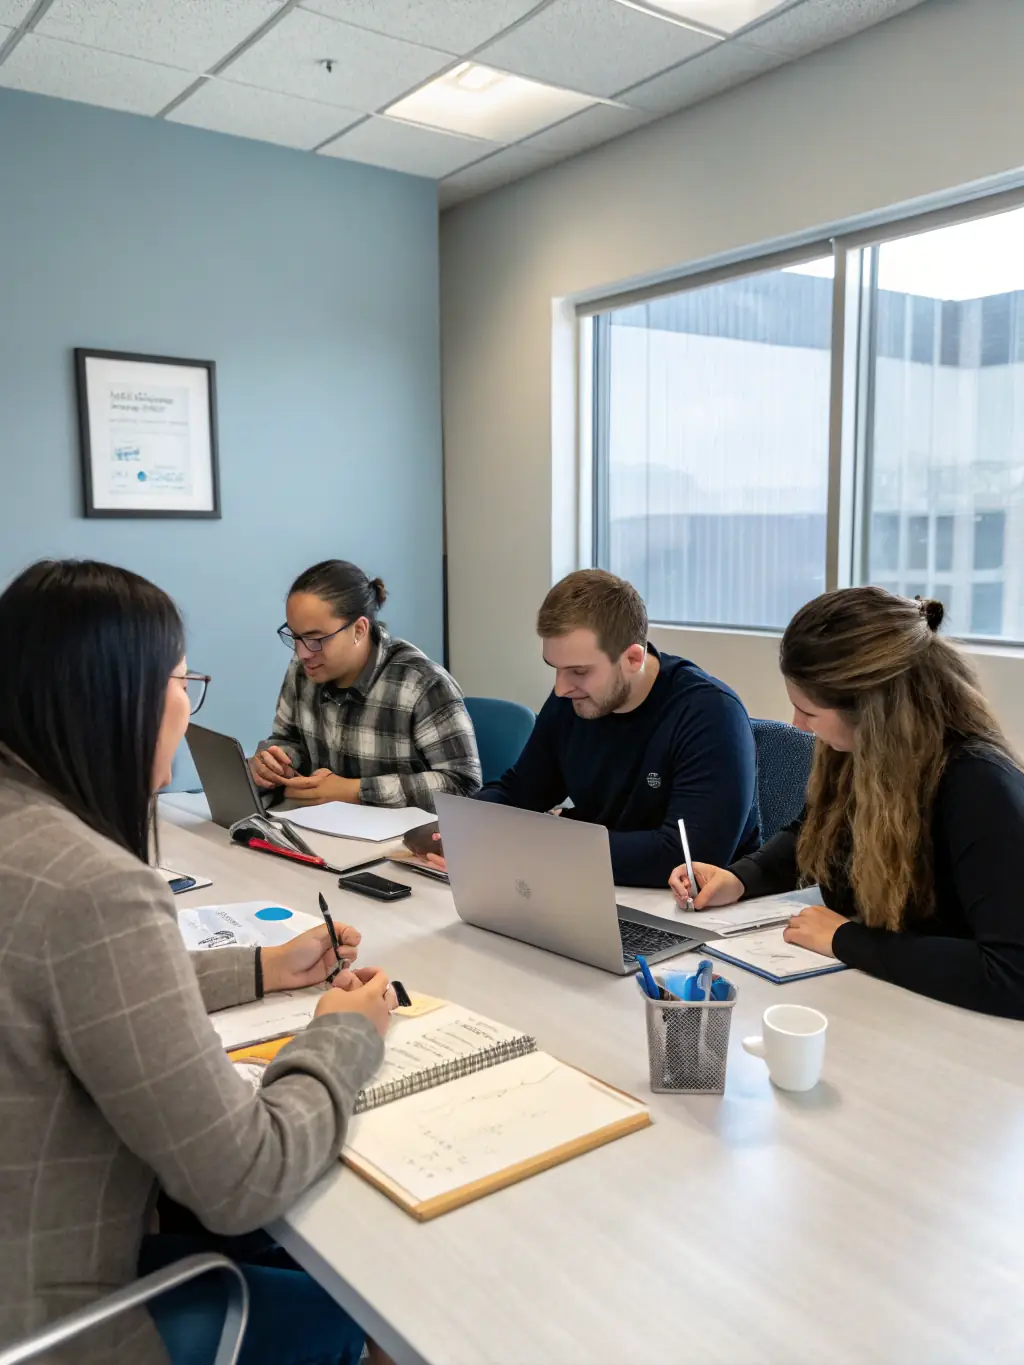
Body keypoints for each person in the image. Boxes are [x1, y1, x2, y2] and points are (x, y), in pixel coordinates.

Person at [0, 559, 395, 1365]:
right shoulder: (96, 888)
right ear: (117, 700)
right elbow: (244, 1176)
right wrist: (344, 1035)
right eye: (183, 681)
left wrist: (260, 968)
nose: (187, 703)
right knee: (356, 1308)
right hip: (57, 1322)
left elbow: (75, 989)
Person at [669, 586, 1024, 1020]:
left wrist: (846, 940)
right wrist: (741, 878)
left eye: (809, 712)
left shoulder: (980, 786)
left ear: (872, 712)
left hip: (969, 1032)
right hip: (889, 1001)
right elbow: (814, 833)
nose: (796, 724)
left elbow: (1011, 975)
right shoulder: (861, 754)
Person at [431, 569, 758, 888]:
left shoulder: (710, 714)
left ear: (632, 658)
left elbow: (688, 859)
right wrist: (467, 825)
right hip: (592, 883)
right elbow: (521, 790)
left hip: (695, 912)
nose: (561, 688)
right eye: (556, 669)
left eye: (578, 671)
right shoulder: (573, 699)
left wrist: (543, 845)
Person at [250, 560, 480, 812]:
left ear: (359, 629)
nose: (302, 652)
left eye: (315, 639)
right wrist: (274, 762)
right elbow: (287, 739)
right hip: (321, 827)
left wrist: (354, 791)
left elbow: (463, 786)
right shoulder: (304, 669)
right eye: (295, 636)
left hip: (401, 842)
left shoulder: (422, 683)